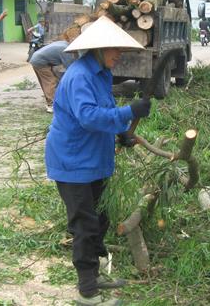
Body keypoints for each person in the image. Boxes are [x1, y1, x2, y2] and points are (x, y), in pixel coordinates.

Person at [45, 16, 151, 306]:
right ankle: (86, 291)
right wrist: (129, 112)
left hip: (93, 160)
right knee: (84, 225)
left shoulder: (101, 74)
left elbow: (103, 110)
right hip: (73, 161)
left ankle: (94, 274)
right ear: (98, 49)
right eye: (114, 49)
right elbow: (89, 117)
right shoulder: (80, 76)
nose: (119, 55)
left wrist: (121, 133)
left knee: (101, 218)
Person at [29, 30, 78, 113]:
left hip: (37, 59)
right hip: (40, 61)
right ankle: (52, 105)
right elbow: (70, 68)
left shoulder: (65, 43)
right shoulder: (66, 50)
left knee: (47, 82)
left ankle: (51, 102)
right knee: (50, 82)